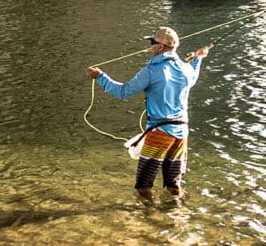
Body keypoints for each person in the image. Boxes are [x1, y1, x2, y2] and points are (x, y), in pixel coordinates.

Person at [86, 27, 212, 203]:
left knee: (143, 186)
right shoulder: (187, 70)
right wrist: (199, 57)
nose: (150, 46)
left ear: (160, 47)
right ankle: (178, 212)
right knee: (174, 185)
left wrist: (100, 77)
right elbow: (194, 73)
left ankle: (149, 215)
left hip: (159, 134)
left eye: (152, 43)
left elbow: (123, 92)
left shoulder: (151, 71)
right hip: (181, 135)